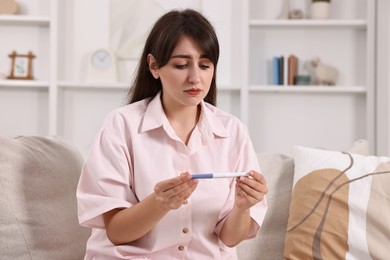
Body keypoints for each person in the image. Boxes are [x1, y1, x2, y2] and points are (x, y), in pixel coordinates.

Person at [77, 8, 268, 260]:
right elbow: (116, 231)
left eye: (205, 65)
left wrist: (243, 207)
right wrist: (159, 203)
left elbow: (229, 239)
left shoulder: (233, 132)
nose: (195, 78)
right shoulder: (121, 125)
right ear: (154, 66)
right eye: (181, 65)